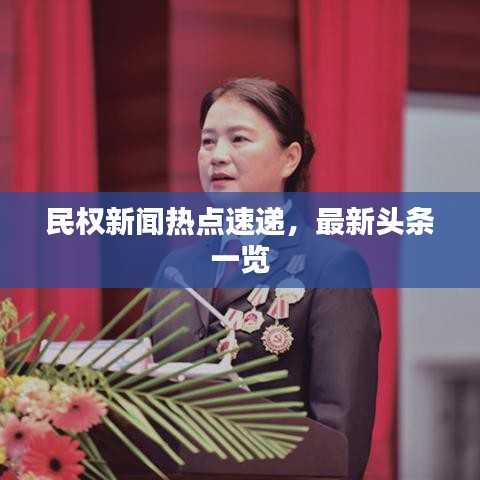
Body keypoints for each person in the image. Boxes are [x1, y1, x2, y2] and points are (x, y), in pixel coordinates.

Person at [139, 78, 380, 479]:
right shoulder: (176, 269)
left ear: (289, 158)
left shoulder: (332, 267)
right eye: (207, 141)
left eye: (238, 139)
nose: (217, 156)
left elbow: (342, 438)